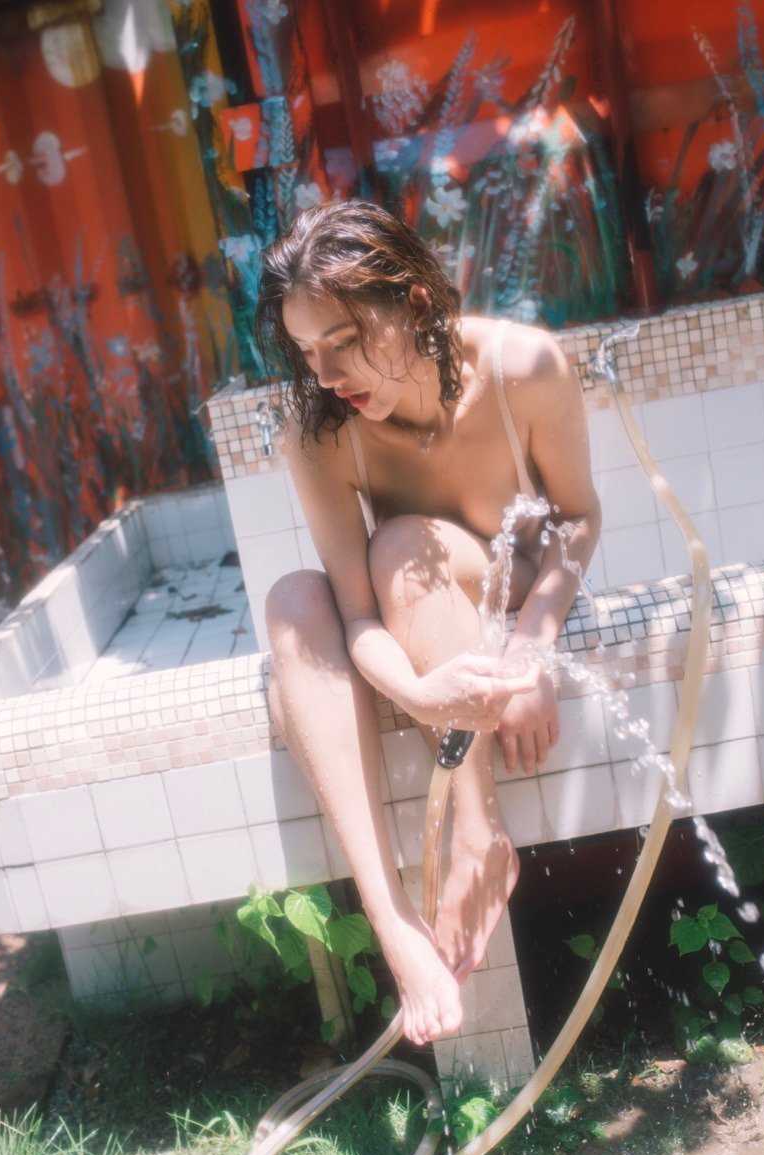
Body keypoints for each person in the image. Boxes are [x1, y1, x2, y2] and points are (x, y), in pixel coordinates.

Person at [254, 199, 602, 1047]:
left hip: (501, 585)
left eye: (343, 340)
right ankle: (391, 918)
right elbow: (356, 616)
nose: (325, 373)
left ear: (414, 302)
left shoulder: (523, 366)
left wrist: (531, 647)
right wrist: (417, 691)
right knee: (291, 602)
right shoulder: (321, 434)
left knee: (403, 541)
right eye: (306, 351)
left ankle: (478, 836)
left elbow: (579, 522)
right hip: (405, 607)